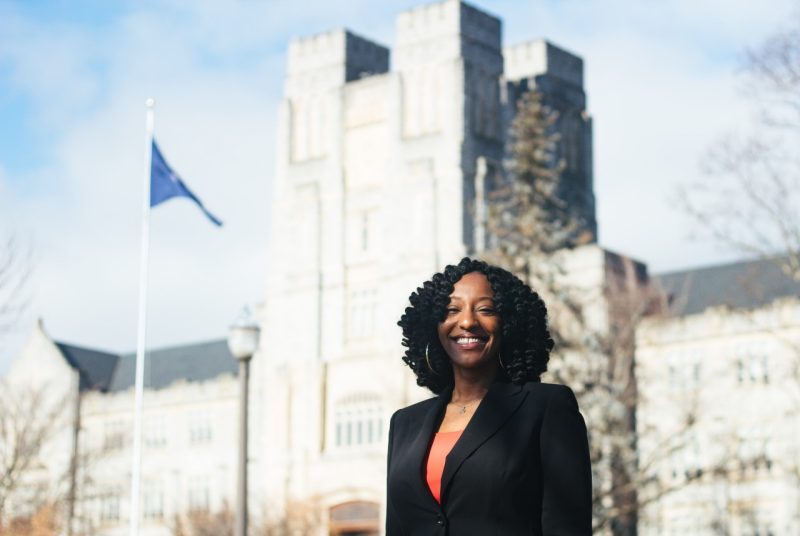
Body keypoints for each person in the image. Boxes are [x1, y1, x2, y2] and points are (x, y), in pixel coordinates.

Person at [386, 257, 592, 535]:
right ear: (433, 326)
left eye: (485, 309)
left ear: (508, 323)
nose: (467, 321)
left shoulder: (545, 408)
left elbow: (567, 527)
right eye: (451, 310)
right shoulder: (405, 423)